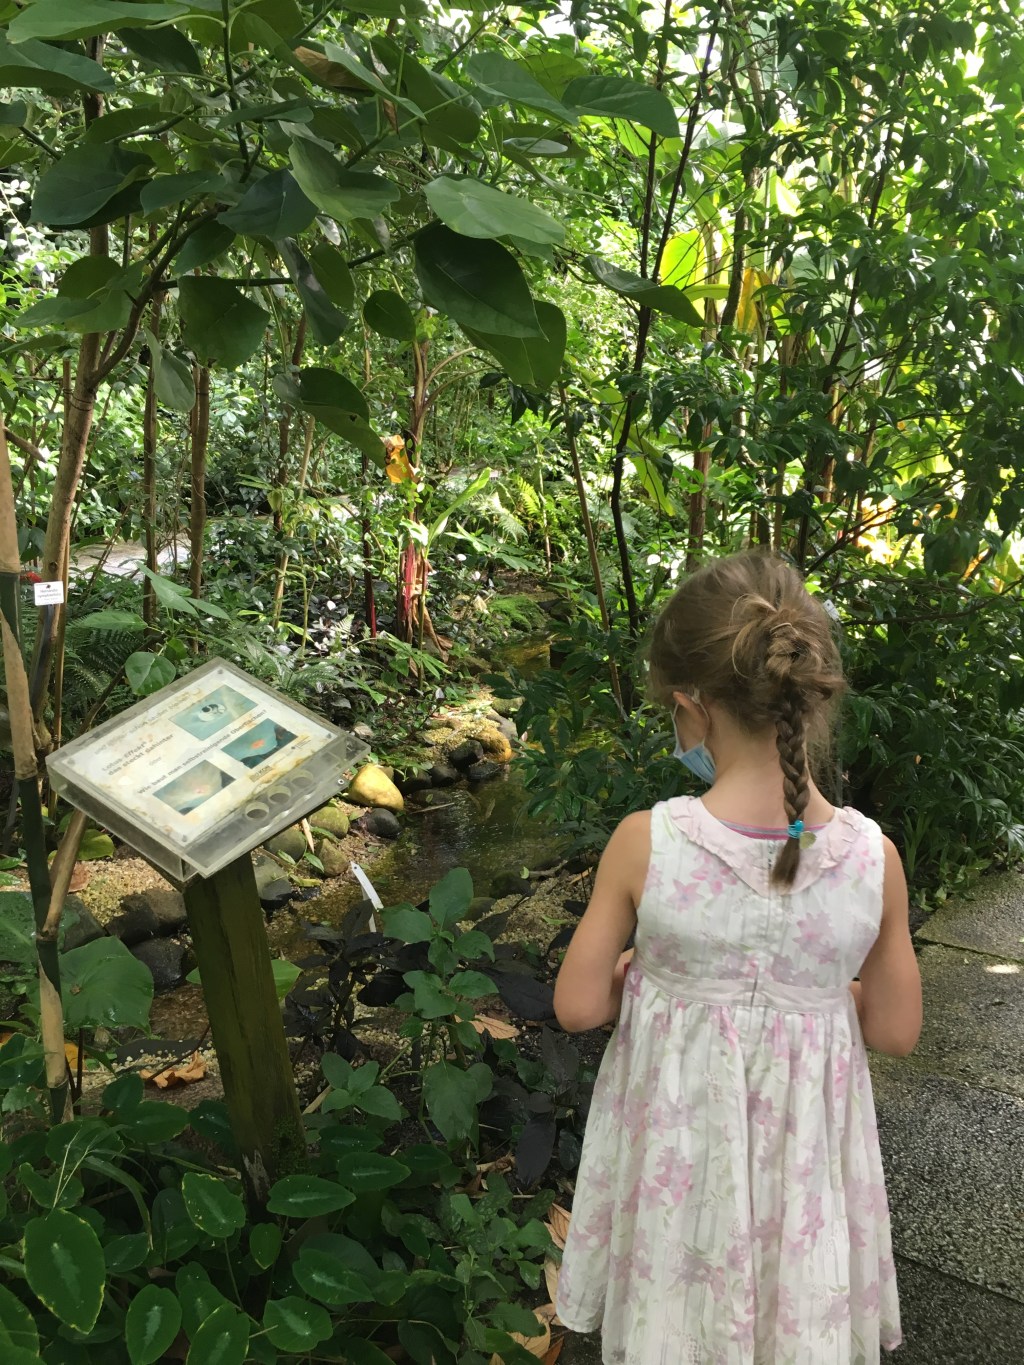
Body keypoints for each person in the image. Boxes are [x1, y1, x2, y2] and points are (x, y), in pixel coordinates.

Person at [553, 550, 922, 1365]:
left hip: (678, 1176)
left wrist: (642, 978)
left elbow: (577, 1006)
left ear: (691, 706)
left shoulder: (648, 842)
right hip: (803, 1174)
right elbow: (896, 1030)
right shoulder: (874, 859)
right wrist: (816, 991)